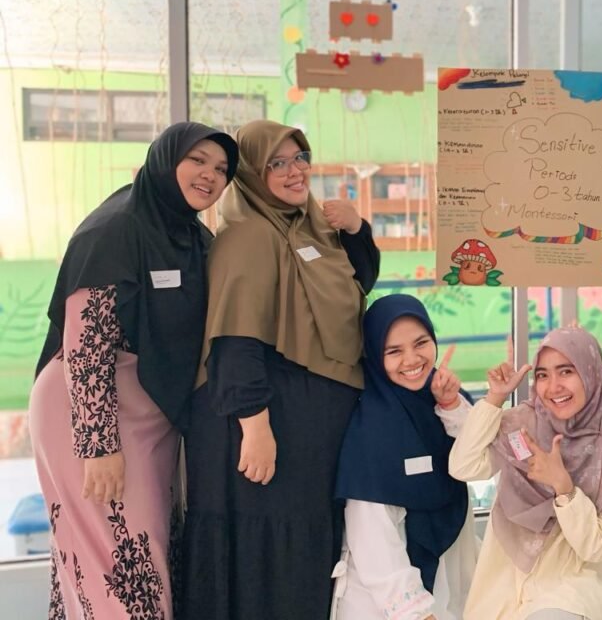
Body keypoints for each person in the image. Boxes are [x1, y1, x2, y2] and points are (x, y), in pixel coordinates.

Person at [29, 122, 238, 619]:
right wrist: (98, 445)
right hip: (89, 410)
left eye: (221, 169)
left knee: (144, 556)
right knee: (121, 569)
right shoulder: (116, 228)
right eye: (197, 160)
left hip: (149, 413)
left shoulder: (192, 236)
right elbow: (85, 343)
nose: (210, 175)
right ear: (165, 160)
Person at [181, 119, 380, 620]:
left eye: (300, 158)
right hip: (270, 429)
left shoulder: (308, 226)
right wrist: (256, 429)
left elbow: (355, 284)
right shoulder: (248, 237)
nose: (295, 172)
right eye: (278, 163)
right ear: (252, 172)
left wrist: (356, 230)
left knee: (302, 565)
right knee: (271, 568)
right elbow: (235, 338)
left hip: (309, 435)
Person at [449, 325, 602, 620]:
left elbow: (596, 547)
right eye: (543, 375)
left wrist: (564, 488)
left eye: (566, 371)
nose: (553, 386)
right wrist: (494, 398)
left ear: (591, 373)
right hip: (509, 581)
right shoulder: (524, 425)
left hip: (576, 585)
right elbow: (463, 466)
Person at [331, 294, 477, 620]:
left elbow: (479, 457)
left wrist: (450, 404)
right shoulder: (371, 427)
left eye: (421, 343)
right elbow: (372, 538)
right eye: (393, 351)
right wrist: (418, 613)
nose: (412, 359)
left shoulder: (442, 395)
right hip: (387, 601)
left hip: (446, 580)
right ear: (373, 354)